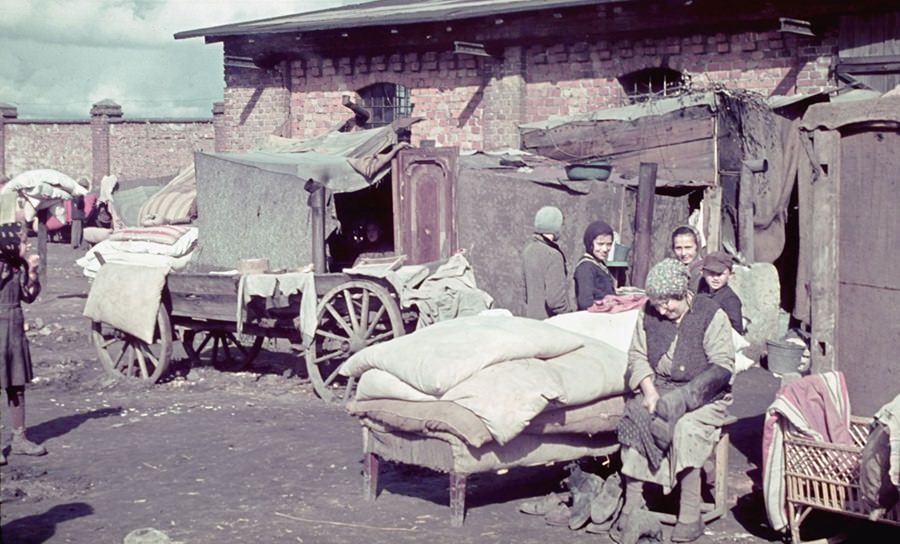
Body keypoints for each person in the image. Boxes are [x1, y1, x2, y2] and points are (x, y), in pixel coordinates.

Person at [614, 258, 734, 543]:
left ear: (683, 294)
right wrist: (650, 391)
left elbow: (722, 366)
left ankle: (690, 515)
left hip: (706, 395)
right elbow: (637, 355)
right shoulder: (649, 313)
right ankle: (633, 506)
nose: (662, 310)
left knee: (686, 428)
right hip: (662, 388)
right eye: (657, 304)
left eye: (668, 303)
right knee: (635, 414)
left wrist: (684, 398)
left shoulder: (710, 314)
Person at [0, 219, 45, 465]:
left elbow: (28, 296)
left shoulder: (17, 267)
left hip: (15, 326)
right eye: (23, 243)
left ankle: (19, 438)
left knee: (16, 385)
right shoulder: (3, 267)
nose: (26, 247)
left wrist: (32, 272)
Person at [523, 206, 571, 319]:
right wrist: (569, 315)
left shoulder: (528, 250)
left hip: (531, 321)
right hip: (551, 325)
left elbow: (524, 294)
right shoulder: (554, 255)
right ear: (557, 227)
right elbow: (555, 301)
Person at [573, 220, 616, 310]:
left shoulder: (599, 263)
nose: (605, 249)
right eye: (600, 244)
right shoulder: (586, 267)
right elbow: (585, 303)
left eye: (609, 244)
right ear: (590, 243)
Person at [697, 251, 744, 334]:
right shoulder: (702, 292)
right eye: (711, 273)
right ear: (702, 273)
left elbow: (736, 330)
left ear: (730, 275)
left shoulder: (730, 300)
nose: (715, 278)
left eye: (720, 274)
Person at [671, 225, 703, 292]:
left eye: (688, 247)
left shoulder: (703, 273)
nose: (683, 253)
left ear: (697, 247)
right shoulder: (671, 269)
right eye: (678, 248)